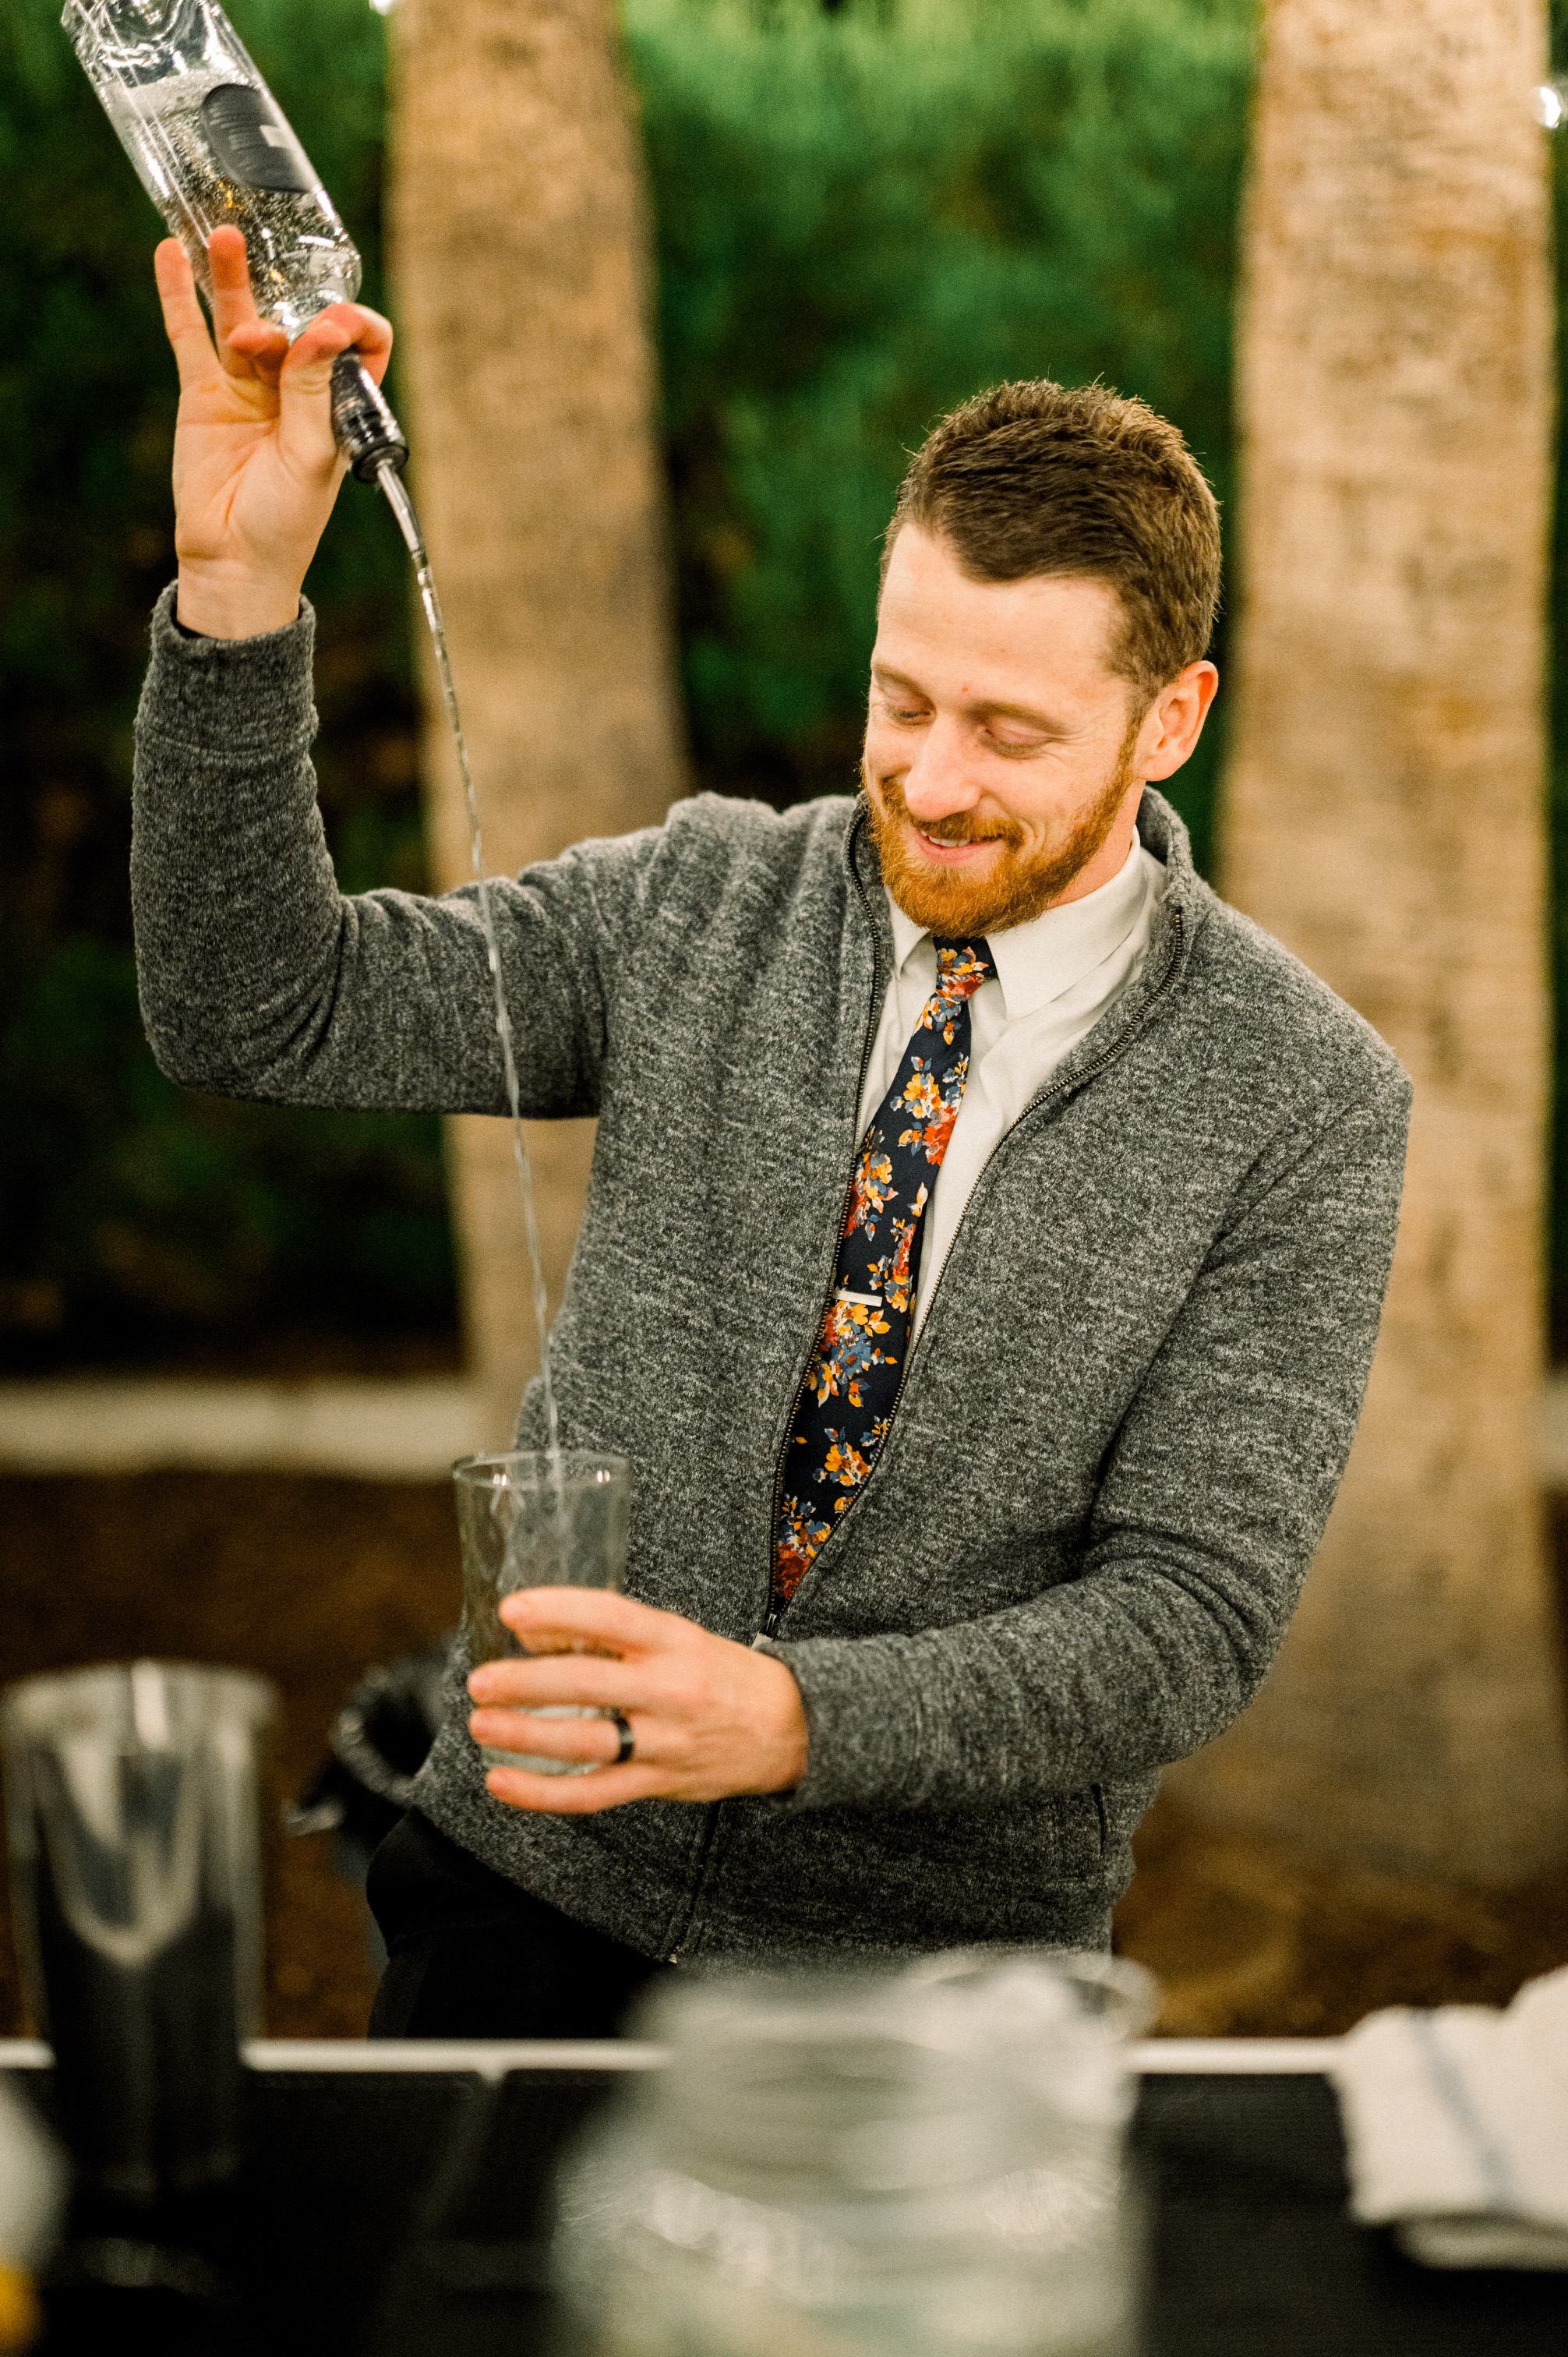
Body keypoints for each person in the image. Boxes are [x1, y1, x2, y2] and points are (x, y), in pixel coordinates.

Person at [133, 228, 1410, 2037]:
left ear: (1168, 722)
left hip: (934, 1993)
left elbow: (1183, 1622)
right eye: (902, 699)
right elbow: (256, 1007)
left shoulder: (1302, 1099)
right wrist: (235, 598)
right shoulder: (705, 898)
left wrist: (796, 1721)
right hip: (517, 1898)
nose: (932, 778)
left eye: (1010, 730)